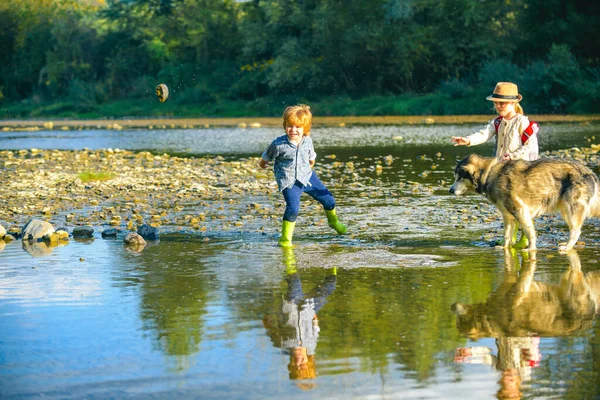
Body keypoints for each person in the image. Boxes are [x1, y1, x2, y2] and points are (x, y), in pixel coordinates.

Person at [451, 82, 540, 247]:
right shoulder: (497, 122)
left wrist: (513, 155)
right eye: (496, 102)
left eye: (502, 103)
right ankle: (510, 237)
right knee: (505, 205)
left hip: (520, 171)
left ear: (513, 103)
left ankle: (525, 238)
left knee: (518, 204)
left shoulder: (522, 122)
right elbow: (483, 135)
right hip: (500, 171)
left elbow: (531, 147)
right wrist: (467, 140)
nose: (498, 106)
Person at [259, 104, 347, 247]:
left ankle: (334, 222)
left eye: (298, 127)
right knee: (293, 208)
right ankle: (285, 240)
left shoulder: (308, 141)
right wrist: (263, 165)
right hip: (289, 181)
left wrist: (308, 167)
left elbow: (311, 158)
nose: (293, 130)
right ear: (285, 126)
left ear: (305, 128)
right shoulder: (278, 144)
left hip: (307, 176)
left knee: (329, 200)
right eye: (290, 126)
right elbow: (265, 158)